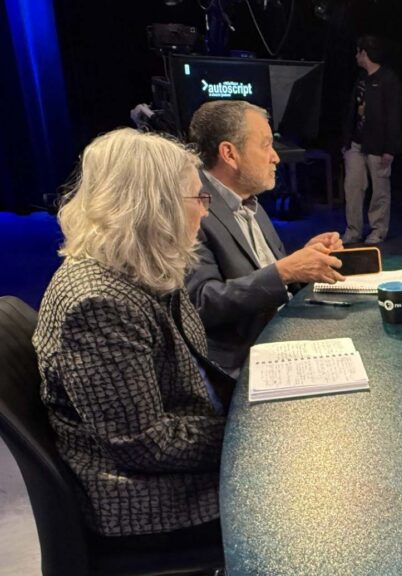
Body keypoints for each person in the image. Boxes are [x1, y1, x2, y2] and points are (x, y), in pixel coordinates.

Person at [33, 128, 230, 546]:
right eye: (199, 199)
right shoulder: (98, 302)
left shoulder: (141, 269)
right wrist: (248, 434)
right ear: (155, 208)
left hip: (179, 458)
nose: (205, 213)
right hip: (147, 499)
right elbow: (143, 444)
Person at [186, 100, 345, 377]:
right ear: (229, 154)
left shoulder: (248, 199)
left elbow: (266, 276)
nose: (276, 157)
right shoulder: (193, 210)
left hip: (282, 333)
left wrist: (303, 262)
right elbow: (200, 304)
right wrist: (284, 271)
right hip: (244, 360)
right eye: (265, 145)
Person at [341, 35, 402, 245]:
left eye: (358, 51)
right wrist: (346, 141)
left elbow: (393, 115)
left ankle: (378, 230)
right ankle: (353, 230)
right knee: (353, 188)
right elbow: (352, 111)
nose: (356, 56)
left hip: (378, 146)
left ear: (364, 53)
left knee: (380, 191)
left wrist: (390, 149)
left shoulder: (388, 79)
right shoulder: (360, 79)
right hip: (356, 144)